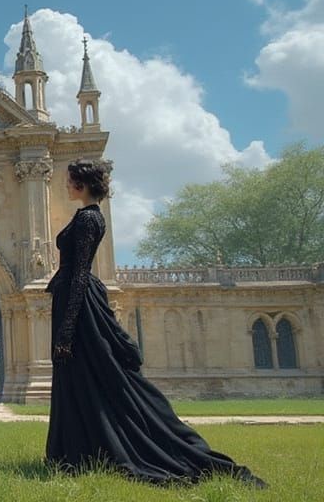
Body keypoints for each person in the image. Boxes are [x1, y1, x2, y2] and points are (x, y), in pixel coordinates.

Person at [44, 158, 266, 487]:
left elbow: (79, 275)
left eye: (69, 180)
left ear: (81, 184)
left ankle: (103, 448)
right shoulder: (84, 216)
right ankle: (77, 453)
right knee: (80, 377)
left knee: (98, 374)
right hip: (72, 302)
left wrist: (66, 330)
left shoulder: (91, 219)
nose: (65, 185)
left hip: (79, 305)